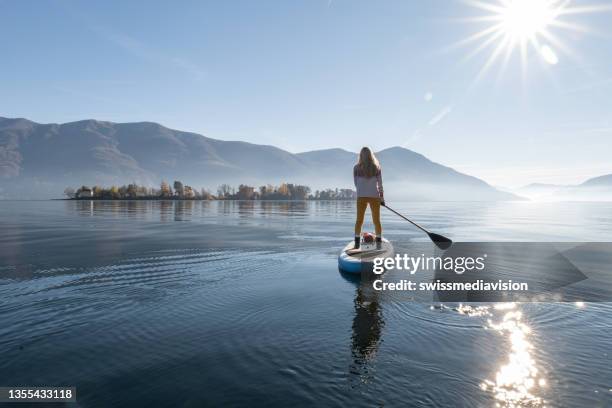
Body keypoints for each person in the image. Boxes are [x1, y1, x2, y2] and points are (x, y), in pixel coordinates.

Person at [353, 147, 384, 249]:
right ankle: (379, 242)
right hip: (374, 196)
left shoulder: (356, 168)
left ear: (361, 155)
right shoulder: (377, 167)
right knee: (376, 220)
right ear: (371, 155)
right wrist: (382, 198)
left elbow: (356, 184)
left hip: (361, 196)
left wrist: (362, 190)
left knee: (359, 220)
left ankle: (357, 243)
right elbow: (380, 184)